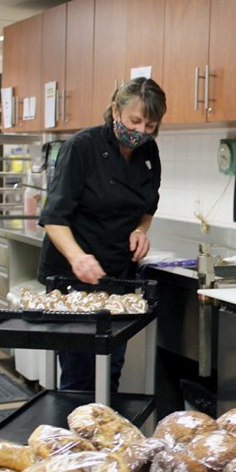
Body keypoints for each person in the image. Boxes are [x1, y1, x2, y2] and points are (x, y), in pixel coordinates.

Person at [37, 77, 167, 392]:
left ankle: (103, 438)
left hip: (118, 275)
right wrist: (77, 257)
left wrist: (140, 230)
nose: (141, 131)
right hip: (75, 277)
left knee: (110, 370)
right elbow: (54, 217)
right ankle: (70, 441)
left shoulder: (149, 152)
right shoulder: (82, 147)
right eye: (135, 121)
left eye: (150, 124)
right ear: (115, 111)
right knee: (80, 375)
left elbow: (148, 206)